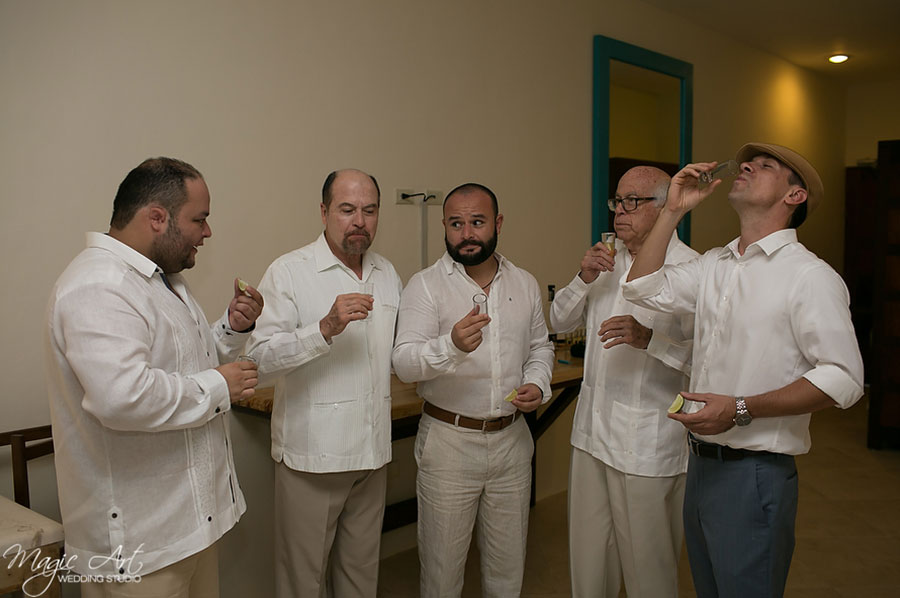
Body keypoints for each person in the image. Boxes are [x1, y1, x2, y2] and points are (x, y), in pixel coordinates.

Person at [623, 143, 865, 598]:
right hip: (700, 465)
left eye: (765, 165)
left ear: (794, 196)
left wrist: (739, 408)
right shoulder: (715, 263)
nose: (747, 166)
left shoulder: (809, 276)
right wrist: (671, 211)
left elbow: (844, 378)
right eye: (748, 161)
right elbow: (640, 287)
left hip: (755, 473)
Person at [44, 157, 263, 598]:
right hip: (139, 545)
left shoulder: (162, 280)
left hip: (190, 526)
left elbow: (187, 364)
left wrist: (232, 329)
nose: (207, 232)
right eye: (199, 219)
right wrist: (220, 386)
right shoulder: (99, 285)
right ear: (158, 218)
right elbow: (123, 397)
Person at [392, 182, 555, 598]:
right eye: (456, 224)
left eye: (477, 222)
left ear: (497, 223)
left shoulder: (524, 283)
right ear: (444, 227)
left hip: (512, 440)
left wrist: (537, 383)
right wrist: (450, 346)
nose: (466, 234)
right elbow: (404, 363)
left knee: (507, 568)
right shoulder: (425, 286)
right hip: (449, 442)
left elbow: (540, 347)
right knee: (442, 574)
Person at [244, 169, 401, 598]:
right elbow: (257, 361)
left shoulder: (387, 273)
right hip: (313, 461)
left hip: (372, 456)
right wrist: (323, 328)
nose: (359, 221)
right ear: (324, 211)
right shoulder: (289, 272)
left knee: (360, 578)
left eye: (370, 210)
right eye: (347, 209)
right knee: (303, 582)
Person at [550, 166, 697, 597]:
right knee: (589, 565)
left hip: (647, 445)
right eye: (618, 200)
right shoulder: (606, 262)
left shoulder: (692, 269)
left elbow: (705, 362)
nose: (620, 211)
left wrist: (651, 340)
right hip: (591, 436)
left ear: (666, 208)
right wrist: (583, 278)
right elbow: (558, 321)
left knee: (648, 573)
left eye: (634, 201)